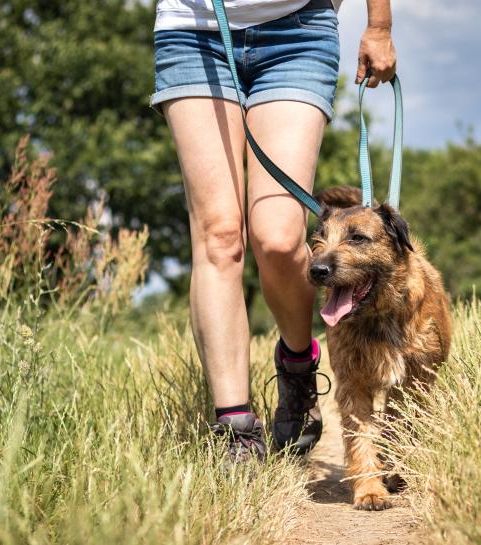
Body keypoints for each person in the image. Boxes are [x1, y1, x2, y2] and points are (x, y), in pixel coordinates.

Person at [150, 0, 397, 462]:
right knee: (219, 236)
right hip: (193, 31)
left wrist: (378, 24)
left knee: (280, 239)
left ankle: (298, 367)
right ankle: (235, 427)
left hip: (297, 32)